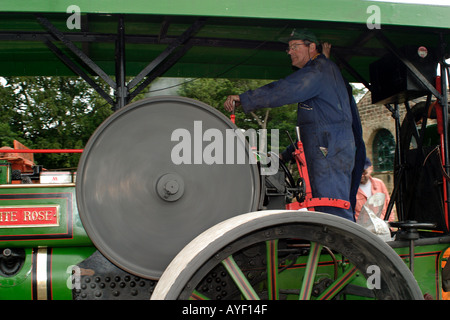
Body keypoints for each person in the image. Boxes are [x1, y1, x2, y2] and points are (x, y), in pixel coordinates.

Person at [224, 28, 366, 221]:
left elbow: (284, 90)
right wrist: (285, 154)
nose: (289, 52)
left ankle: (346, 248)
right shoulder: (323, 69)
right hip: (330, 147)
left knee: (332, 208)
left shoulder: (319, 70)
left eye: (294, 46)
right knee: (328, 209)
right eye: (288, 48)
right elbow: (316, 126)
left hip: (329, 151)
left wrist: (244, 98)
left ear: (312, 47)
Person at [355, 157, 393, 221]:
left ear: (371, 169)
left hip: (382, 227)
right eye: (358, 172)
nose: (361, 175)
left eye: (364, 172)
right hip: (362, 229)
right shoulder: (352, 188)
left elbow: (388, 205)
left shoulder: (379, 184)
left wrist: (389, 225)